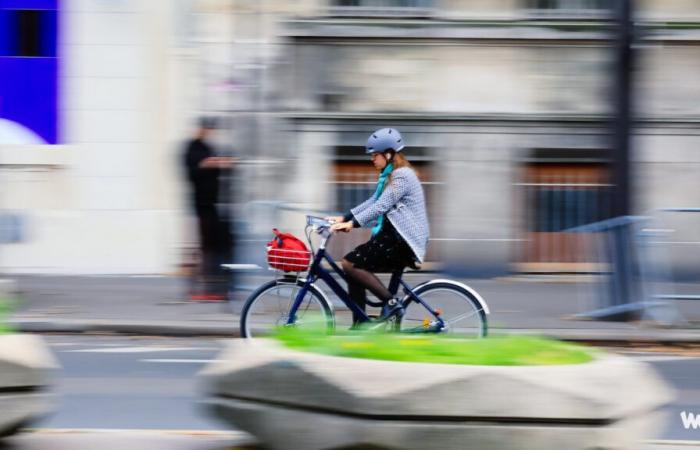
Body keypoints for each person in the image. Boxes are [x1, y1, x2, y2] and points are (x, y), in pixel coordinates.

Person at [327, 128, 429, 325]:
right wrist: (344, 218)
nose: (372, 159)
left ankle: (392, 304)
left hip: (404, 241)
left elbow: (382, 206)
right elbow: (374, 201)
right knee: (354, 266)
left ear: (388, 154)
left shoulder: (402, 176)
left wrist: (352, 223)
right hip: (393, 237)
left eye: (375, 155)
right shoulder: (389, 176)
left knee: (351, 264)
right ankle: (360, 323)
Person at [182, 117, 235, 301]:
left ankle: (210, 285)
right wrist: (216, 162)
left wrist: (222, 163)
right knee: (204, 247)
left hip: (212, 205)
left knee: (211, 246)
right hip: (200, 205)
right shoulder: (192, 148)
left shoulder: (207, 148)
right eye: (207, 129)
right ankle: (197, 286)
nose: (209, 132)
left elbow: (216, 166)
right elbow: (198, 166)